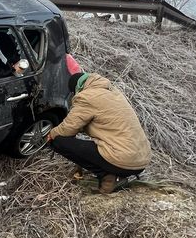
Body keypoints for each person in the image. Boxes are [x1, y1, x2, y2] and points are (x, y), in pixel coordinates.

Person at [46, 65, 151, 194]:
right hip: (140, 161)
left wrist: (52, 133)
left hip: (124, 161)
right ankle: (117, 174)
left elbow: (68, 128)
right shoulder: (112, 92)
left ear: (77, 89)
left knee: (58, 141)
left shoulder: (87, 97)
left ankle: (108, 177)